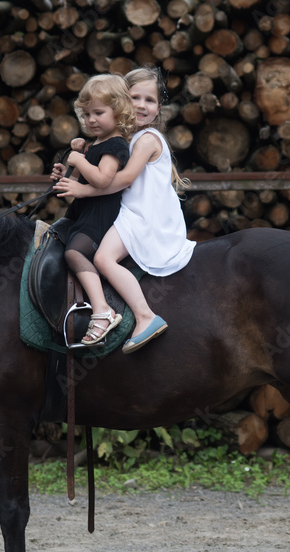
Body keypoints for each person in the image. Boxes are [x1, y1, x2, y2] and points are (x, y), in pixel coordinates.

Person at [53, 68, 195, 354]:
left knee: (104, 258)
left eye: (150, 100)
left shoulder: (147, 139)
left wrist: (83, 190)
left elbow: (124, 179)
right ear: (120, 103)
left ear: (159, 108)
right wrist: (71, 172)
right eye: (134, 98)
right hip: (126, 211)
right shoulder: (123, 138)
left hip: (145, 215)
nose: (141, 105)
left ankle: (144, 316)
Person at [56, 74, 134, 345]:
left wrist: (80, 159)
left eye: (98, 113)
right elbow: (78, 183)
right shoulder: (95, 145)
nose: (90, 120)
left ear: (119, 111)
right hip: (84, 213)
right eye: (87, 114)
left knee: (74, 253)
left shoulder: (116, 145)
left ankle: (102, 310)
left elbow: (102, 179)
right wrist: (66, 172)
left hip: (101, 216)